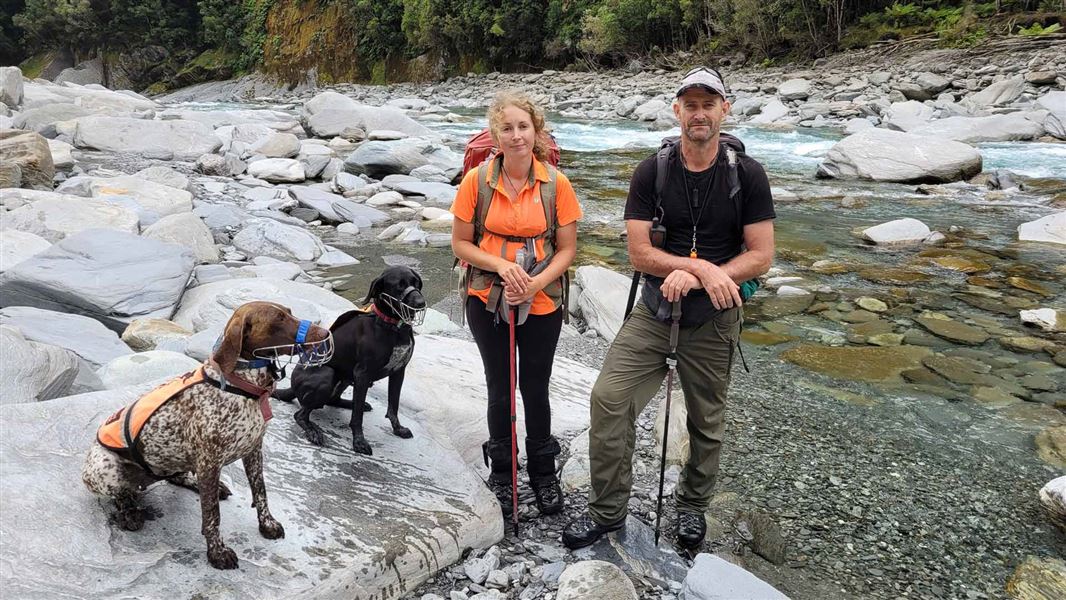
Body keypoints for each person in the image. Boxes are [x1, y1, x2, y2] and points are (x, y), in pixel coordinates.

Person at [562, 67, 776, 550]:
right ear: (676, 110)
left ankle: (693, 507)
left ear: (726, 108)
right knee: (609, 401)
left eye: (709, 103)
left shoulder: (747, 175)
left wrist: (703, 275)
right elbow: (638, 254)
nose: (699, 113)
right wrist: (698, 268)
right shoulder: (652, 171)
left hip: (714, 319)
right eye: (690, 104)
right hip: (655, 310)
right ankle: (608, 512)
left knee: (706, 420)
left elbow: (761, 254)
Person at [450, 90, 582, 520]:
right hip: (486, 298)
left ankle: (543, 473)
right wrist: (504, 269)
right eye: (507, 128)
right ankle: (504, 472)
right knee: (499, 386)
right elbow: (460, 244)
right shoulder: (477, 182)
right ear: (495, 135)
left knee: (535, 386)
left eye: (523, 126)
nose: (516, 135)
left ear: (536, 131)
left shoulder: (555, 184)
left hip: (542, 299)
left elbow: (565, 249)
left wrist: (535, 283)